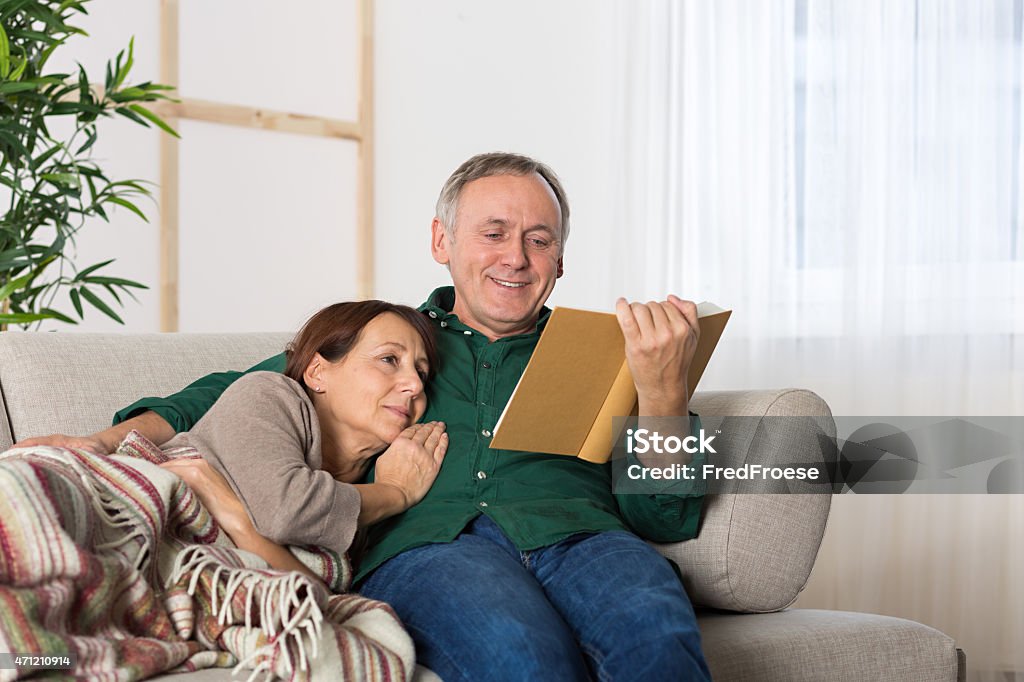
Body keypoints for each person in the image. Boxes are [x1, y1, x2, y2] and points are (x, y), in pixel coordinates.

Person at [19, 153, 711, 680]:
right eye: (493, 232)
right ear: (442, 240)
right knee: (520, 655)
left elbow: (666, 519)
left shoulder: (611, 352)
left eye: (538, 238)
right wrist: (104, 441)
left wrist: (662, 394)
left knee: (655, 629)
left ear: (560, 259)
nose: (516, 256)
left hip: (581, 534)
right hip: (432, 547)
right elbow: (228, 392)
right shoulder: (388, 347)